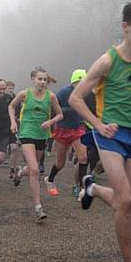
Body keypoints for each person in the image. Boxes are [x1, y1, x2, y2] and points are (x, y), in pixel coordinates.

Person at [70, 2, 131, 262]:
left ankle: (92, 188)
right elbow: (75, 98)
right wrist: (97, 125)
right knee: (128, 201)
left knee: (125, 203)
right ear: (125, 27)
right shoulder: (107, 61)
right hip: (110, 134)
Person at [9, 67, 63, 221]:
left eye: (45, 79)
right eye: (40, 79)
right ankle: (38, 207)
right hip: (26, 133)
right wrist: (13, 122)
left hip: (42, 135)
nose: (43, 82)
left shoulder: (51, 97)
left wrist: (50, 122)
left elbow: (60, 114)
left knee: (33, 168)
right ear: (33, 79)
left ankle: (20, 173)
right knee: (35, 169)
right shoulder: (24, 94)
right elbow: (11, 106)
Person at [44, 69, 90, 197]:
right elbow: (52, 106)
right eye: (80, 82)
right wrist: (50, 122)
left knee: (83, 157)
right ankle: (50, 179)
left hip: (78, 129)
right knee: (60, 163)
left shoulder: (85, 93)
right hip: (62, 129)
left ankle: (82, 188)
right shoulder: (64, 92)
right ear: (74, 82)